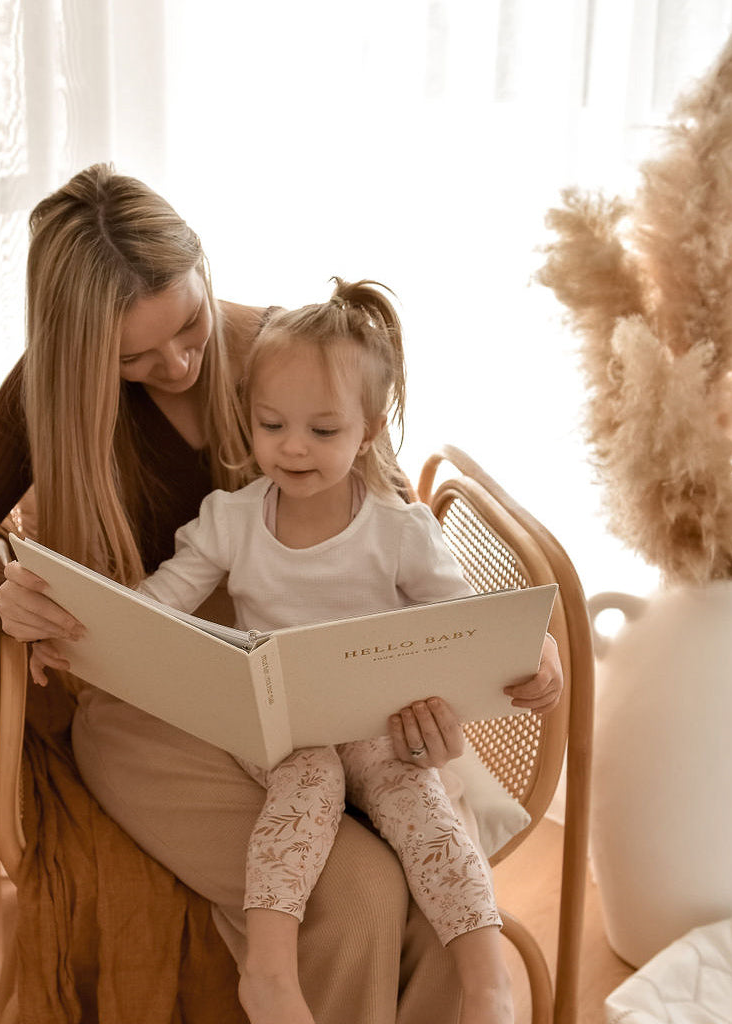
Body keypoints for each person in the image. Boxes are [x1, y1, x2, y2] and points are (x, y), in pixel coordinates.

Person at [0, 163, 563, 1024]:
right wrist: (2, 596)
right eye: (133, 357)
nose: (175, 363)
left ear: (203, 271)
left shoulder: (281, 355)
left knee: (436, 888)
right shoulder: (46, 395)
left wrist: (511, 652)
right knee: (355, 900)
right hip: (158, 701)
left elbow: (396, 525)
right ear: (80, 349)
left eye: (188, 327)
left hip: (334, 693)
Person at [127, 278, 512, 1024]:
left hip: (375, 726)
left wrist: (526, 661)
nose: (292, 447)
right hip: (276, 729)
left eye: (323, 432)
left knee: (422, 804)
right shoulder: (231, 520)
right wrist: (93, 624)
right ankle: (269, 975)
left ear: (369, 432)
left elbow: (467, 624)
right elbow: (160, 605)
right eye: (271, 425)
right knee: (308, 777)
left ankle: (487, 984)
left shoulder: (398, 531)